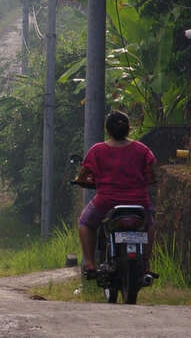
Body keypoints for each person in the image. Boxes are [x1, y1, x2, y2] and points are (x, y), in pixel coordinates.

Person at [74, 111, 157, 277]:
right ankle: (146, 263)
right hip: (139, 202)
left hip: (106, 201)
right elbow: (152, 175)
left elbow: (84, 174)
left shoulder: (97, 150)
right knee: (149, 225)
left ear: (107, 130)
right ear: (128, 129)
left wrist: (79, 179)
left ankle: (89, 263)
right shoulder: (142, 150)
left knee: (85, 222)